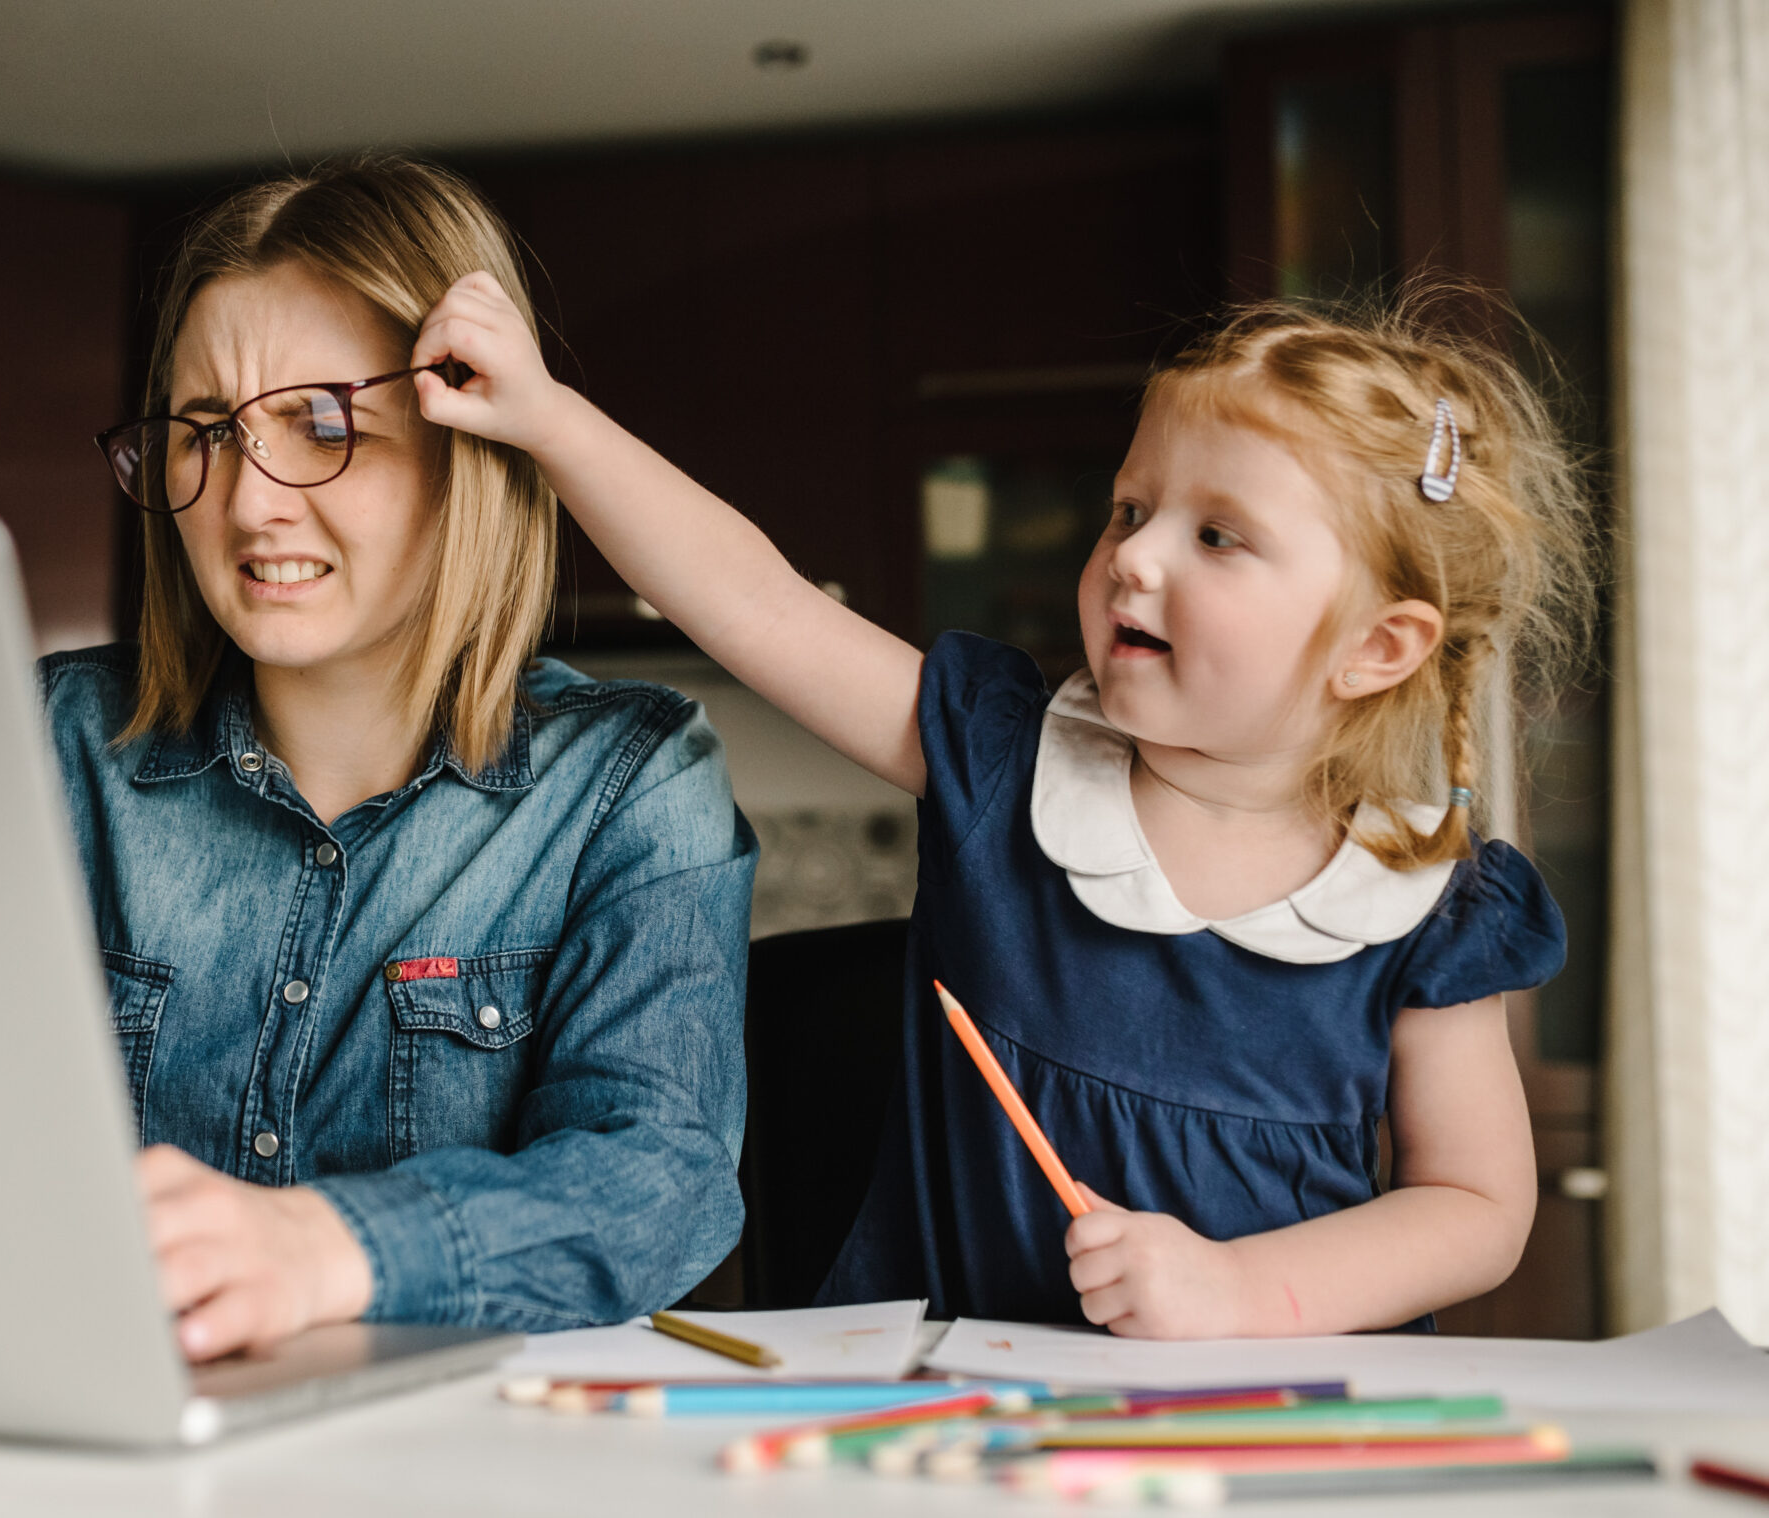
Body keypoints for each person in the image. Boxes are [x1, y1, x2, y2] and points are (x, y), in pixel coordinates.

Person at [415, 278, 1591, 1337]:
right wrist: (548, 418)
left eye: (1217, 535)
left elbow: (1473, 1206)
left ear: (1377, 646)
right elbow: (758, 606)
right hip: (949, 1415)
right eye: (1130, 510)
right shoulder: (1000, 756)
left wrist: (1237, 1293)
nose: (1133, 558)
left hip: (1264, 1434)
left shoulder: (1430, 899)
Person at [45, 156, 756, 1362]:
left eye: (323, 425)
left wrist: (329, 1247)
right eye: (206, 430)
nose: (249, 502)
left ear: (468, 450)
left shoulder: (628, 782)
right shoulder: (54, 744)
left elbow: (660, 1182)